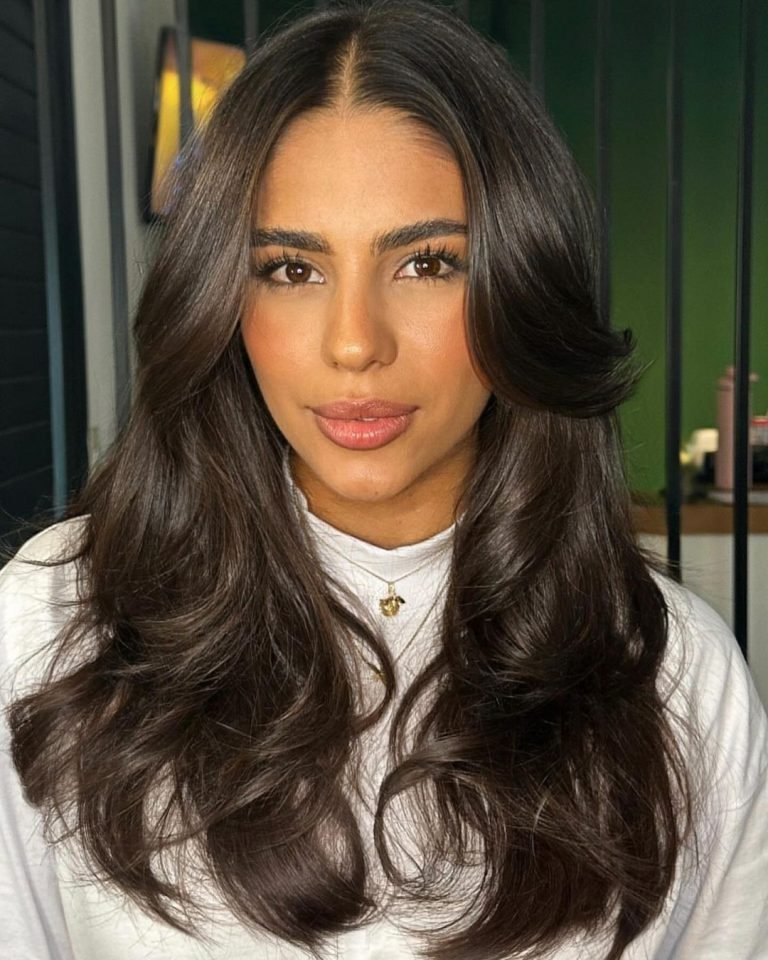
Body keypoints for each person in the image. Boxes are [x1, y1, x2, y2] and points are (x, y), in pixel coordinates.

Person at [1, 1, 766, 957]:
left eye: (428, 262)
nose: (356, 342)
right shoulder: (56, 627)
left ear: (520, 286)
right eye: (291, 269)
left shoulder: (673, 675)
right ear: (221, 298)